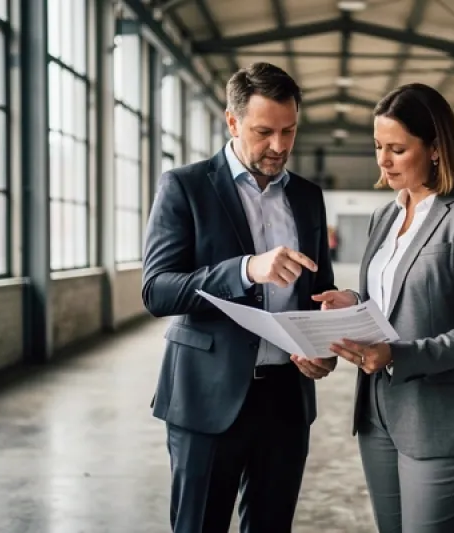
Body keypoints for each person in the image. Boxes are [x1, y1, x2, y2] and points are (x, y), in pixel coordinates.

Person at [142, 62, 338, 533]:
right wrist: (246, 269)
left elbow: (319, 294)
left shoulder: (308, 197)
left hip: (287, 400)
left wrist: (324, 346)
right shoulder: (185, 187)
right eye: (264, 131)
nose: (279, 146)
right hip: (207, 397)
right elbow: (157, 289)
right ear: (232, 122)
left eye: (289, 130)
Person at [312, 82, 454, 533]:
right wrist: (353, 302)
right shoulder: (385, 216)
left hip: (442, 414)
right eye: (378, 146)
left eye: (398, 149)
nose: (383, 161)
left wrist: (398, 355)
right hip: (378, 409)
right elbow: (392, 298)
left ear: (437, 148)